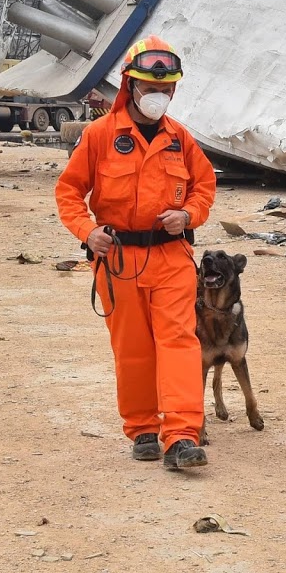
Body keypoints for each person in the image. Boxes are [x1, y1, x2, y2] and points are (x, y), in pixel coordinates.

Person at [55, 35, 216, 470]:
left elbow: (204, 187)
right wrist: (88, 232)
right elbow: (69, 191)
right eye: (150, 87)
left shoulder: (180, 139)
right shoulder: (101, 135)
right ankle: (143, 428)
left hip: (172, 258)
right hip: (119, 260)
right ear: (130, 85)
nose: (158, 96)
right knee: (133, 349)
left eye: (166, 89)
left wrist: (189, 215)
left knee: (180, 343)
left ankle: (181, 435)